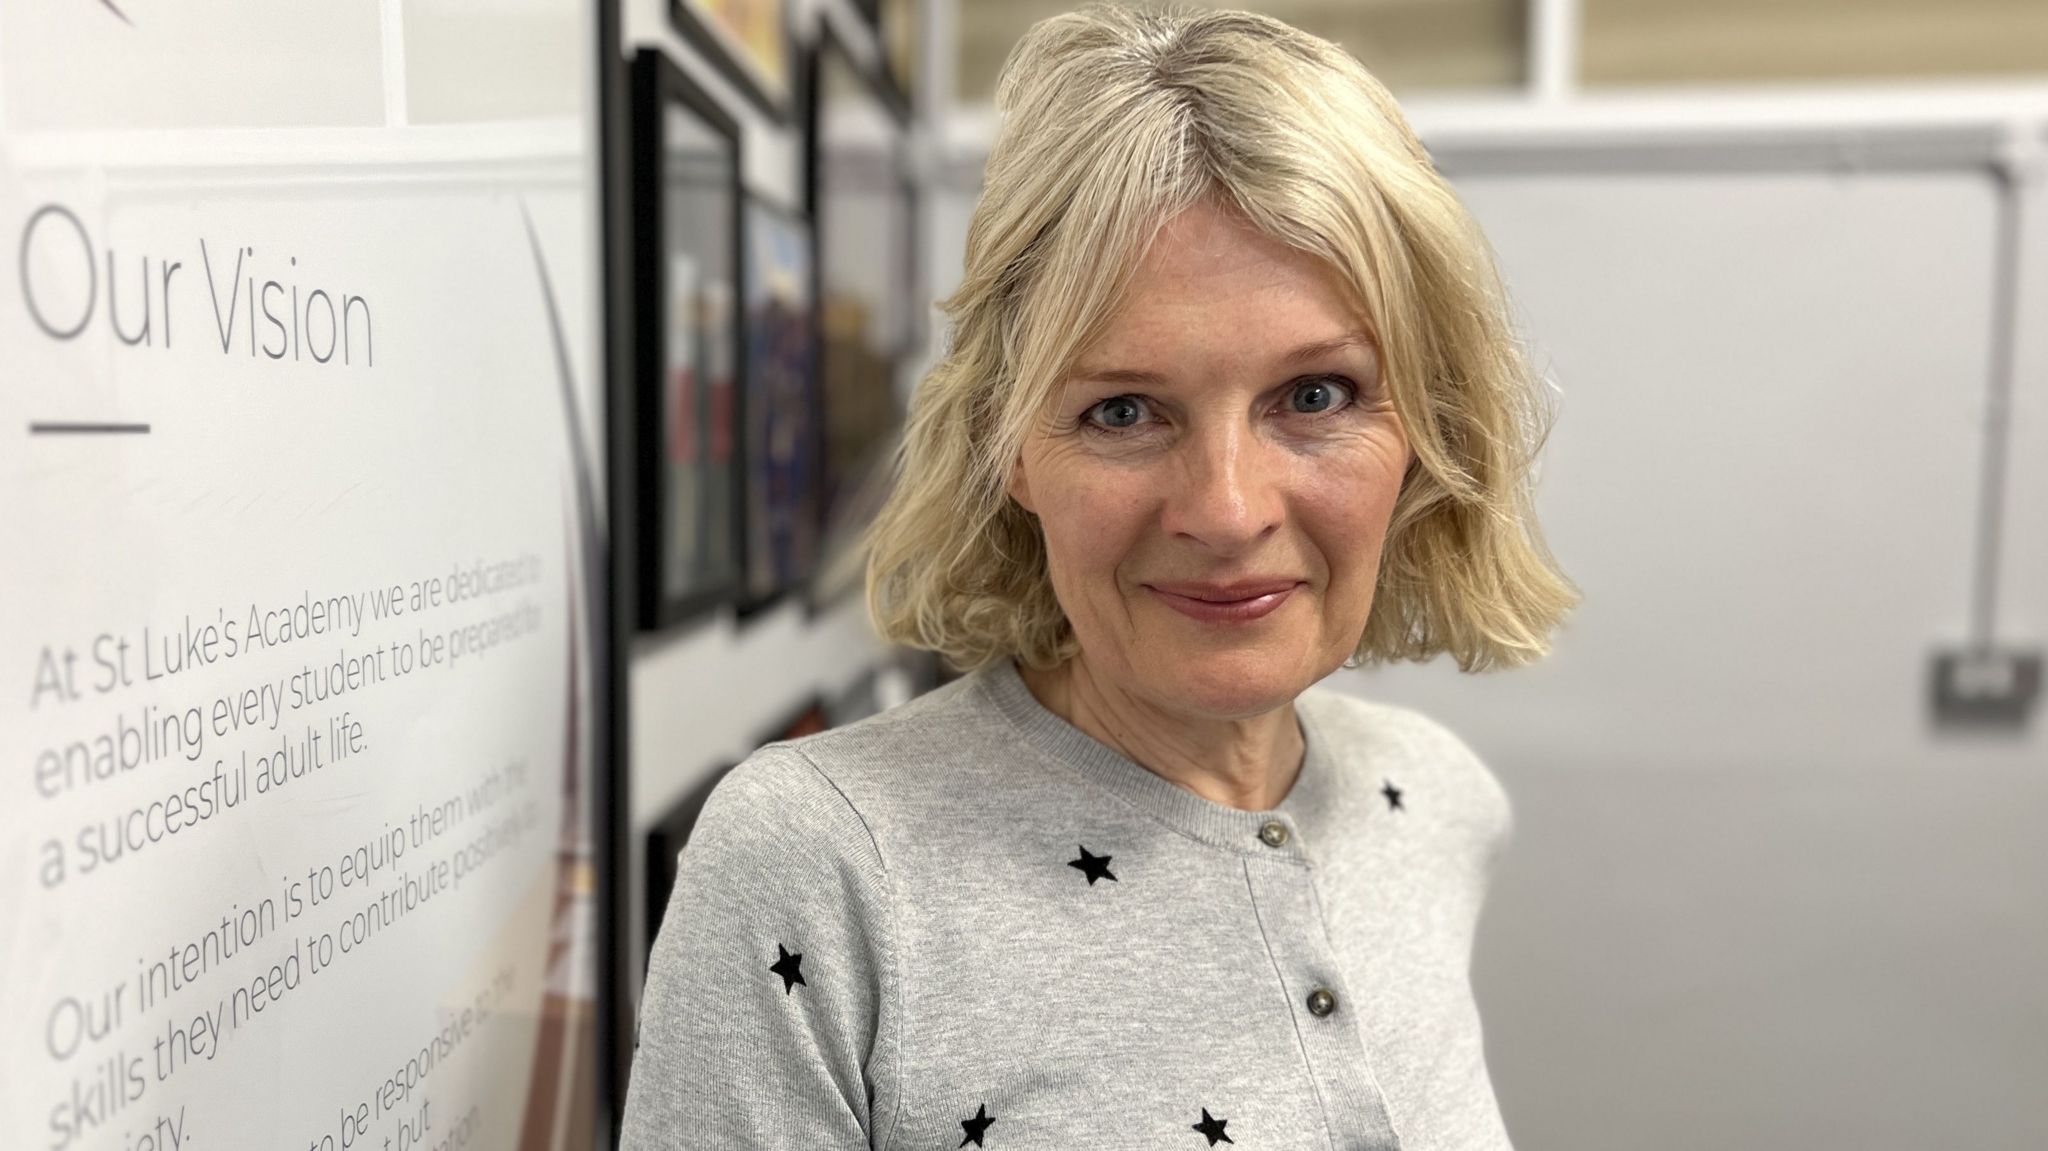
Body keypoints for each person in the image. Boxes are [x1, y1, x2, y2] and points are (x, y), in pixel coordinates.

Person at [621, 4, 1578, 1148]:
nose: (1225, 509)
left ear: (1426, 426)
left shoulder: (1434, 800)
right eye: (1122, 410)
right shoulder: (823, 864)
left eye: (1313, 396)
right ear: (1009, 446)